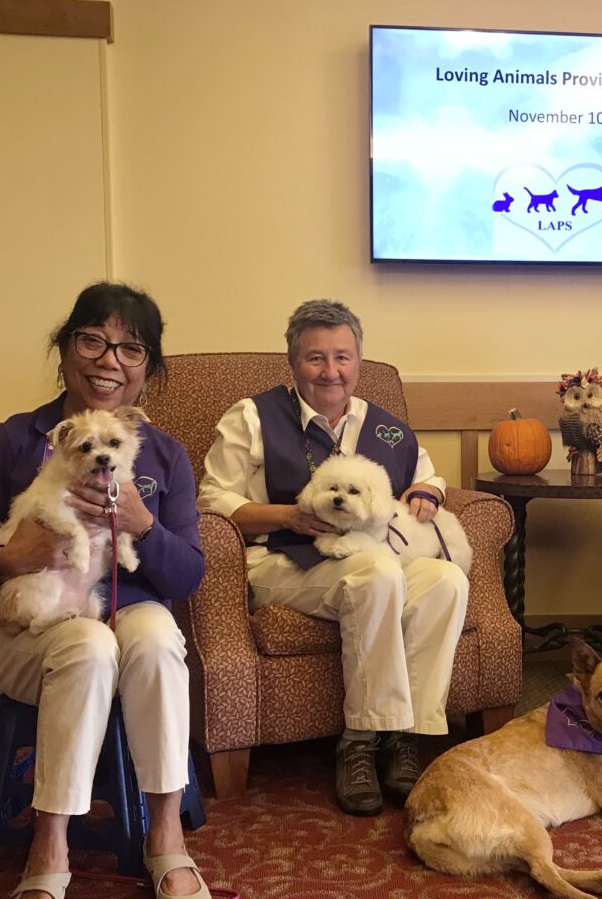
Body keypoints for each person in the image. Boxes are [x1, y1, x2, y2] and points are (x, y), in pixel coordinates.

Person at [0, 283, 212, 899]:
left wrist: (143, 525)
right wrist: (11, 557)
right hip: (27, 628)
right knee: (90, 646)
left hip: (130, 610)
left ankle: (166, 837)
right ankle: (49, 849)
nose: (109, 359)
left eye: (130, 347)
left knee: (152, 639)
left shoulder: (164, 455)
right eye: (93, 339)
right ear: (64, 351)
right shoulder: (15, 440)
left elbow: (186, 577)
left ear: (148, 367)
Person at [197, 298, 468, 816]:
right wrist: (287, 517)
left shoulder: (385, 426)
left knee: (445, 580)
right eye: (315, 358)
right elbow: (212, 501)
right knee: (378, 575)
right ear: (293, 363)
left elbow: (429, 475)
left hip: (372, 553)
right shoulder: (252, 417)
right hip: (280, 562)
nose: (331, 371)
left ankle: (408, 736)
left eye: (342, 357)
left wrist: (428, 494)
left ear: (358, 362)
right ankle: (361, 739)